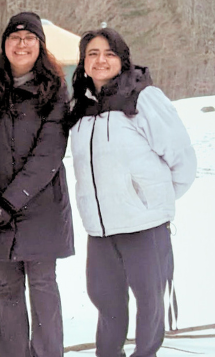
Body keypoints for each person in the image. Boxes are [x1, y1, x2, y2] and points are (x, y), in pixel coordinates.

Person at [66, 28, 197, 357]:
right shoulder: (81, 108)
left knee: (149, 302)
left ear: (123, 60)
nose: (101, 60)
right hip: (101, 229)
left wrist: (153, 201)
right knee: (105, 301)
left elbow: (182, 158)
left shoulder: (143, 97)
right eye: (92, 53)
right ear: (83, 63)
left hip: (144, 225)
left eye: (109, 53)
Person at [0, 12, 74, 357]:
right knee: (7, 289)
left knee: (41, 285)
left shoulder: (54, 90)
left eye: (29, 38)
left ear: (40, 45)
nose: (21, 44)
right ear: (5, 44)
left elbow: (49, 153)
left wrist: (10, 202)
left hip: (41, 208)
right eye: (15, 37)